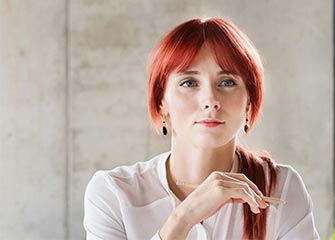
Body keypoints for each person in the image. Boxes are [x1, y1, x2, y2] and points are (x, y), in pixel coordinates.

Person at [84, 17, 320, 240]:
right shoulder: (113, 192)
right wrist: (184, 217)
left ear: (249, 101)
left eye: (227, 82)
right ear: (161, 102)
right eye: (189, 82)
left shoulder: (281, 187)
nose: (210, 99)